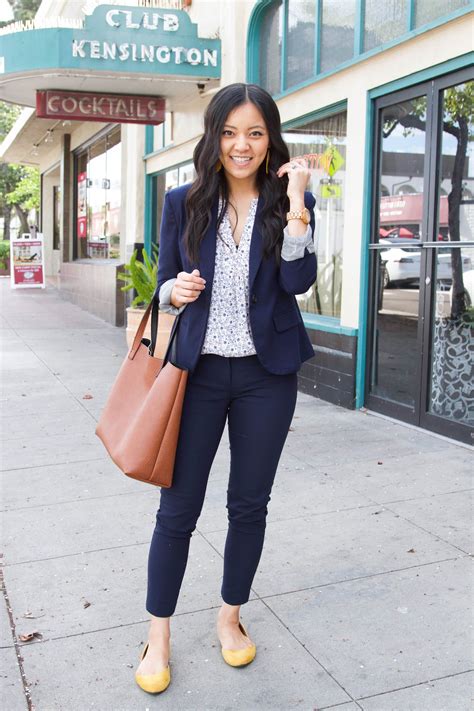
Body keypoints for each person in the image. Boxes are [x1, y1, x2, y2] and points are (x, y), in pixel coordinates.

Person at [135, 82, 317, 694]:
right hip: (199, 375)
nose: (242, 145)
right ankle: (157, 635)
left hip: (268, 378)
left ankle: (230, 618)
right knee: (178, 508)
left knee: (249, 505)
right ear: (214, 137)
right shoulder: (183, 201)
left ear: (271, 140)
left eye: (256, 133)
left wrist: (295, 199)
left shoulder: (287, 200)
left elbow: (297, 280)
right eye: (231, 132)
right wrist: (173, 292)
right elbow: (159, 285)